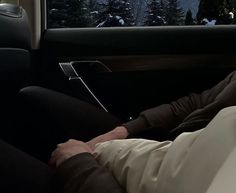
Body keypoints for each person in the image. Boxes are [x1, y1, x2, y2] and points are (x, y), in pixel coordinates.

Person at [1, 70, 236, 193]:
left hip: (152, 173)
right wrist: (120, 132)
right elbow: (197, 103)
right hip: (164, 153)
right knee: (33, 100)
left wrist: (78, 166)